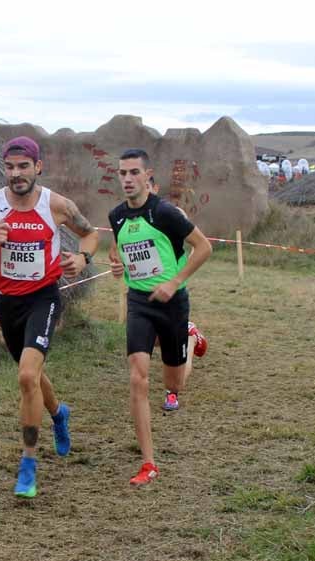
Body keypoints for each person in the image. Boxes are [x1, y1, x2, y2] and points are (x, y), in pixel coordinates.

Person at [0, 136, 99, 498]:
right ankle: (58, 414)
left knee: (25, 375)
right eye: (10, 167)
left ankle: (28, 463)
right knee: (31, 376)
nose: (16, 174)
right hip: (7, 303)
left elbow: (90, 235)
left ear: (38, 167)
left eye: (23, 166)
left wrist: (83, 259)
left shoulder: (58, 205)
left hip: (44, 297)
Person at [107, 148, 213, 486]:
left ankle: (191, 337)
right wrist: (118, 265)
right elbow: (122, 251)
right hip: (139, 301)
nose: (127, 179)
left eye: (133, 172)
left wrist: (174, 282)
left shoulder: (165, 213)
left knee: (173, 384)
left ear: (147, 175)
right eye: (122, 173)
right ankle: (148, 463)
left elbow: (205, 247)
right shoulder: (117, 216)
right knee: (138, 377)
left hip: (172, 304)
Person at [145, 177, 209, 411]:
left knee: (176, 367)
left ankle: (190, 339)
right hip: (144, 290)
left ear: (155, 187)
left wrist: (179, 276)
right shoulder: (131, 215)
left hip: (172, 290)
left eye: (147, 188)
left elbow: (199, 244)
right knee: (148, 340)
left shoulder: (172, 213)